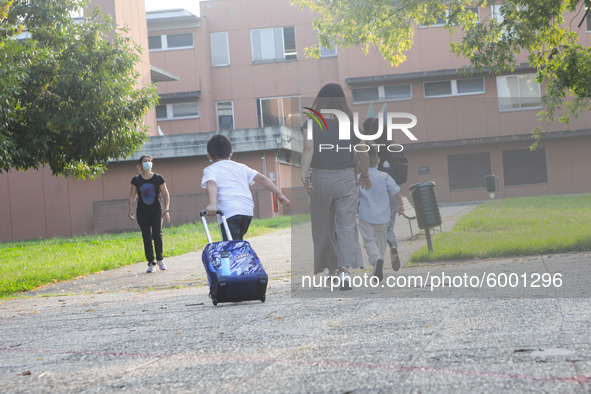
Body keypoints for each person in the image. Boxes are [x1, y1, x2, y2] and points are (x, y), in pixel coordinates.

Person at [300, 82, 371, 290]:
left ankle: (331, 271)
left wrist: (303, 173)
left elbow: (308, 149)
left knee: (323, 227)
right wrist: (365, 174)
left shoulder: (312, 122)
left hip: (320, 179)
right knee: (346, 225)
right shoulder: (350, 123)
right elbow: (363, 153)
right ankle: (345, 270)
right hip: (346, 178)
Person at [202, 134, 290, 241]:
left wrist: (212, 204)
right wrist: (279, 194)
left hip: (229, 213)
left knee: (231, 246)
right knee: (237, 242)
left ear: (209, 156)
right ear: (231, 153)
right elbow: (261, 178)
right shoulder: (241, 167)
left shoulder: (210, 169)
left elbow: (211, 183)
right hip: (246, 212)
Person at [357, 146, 404, 282]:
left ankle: (375, 260)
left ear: (361, 161)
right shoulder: (384, 176)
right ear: (377, 161)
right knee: (381, 243)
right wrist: (400, 204)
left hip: (365, 216)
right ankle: (379, 268)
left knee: (369, 241)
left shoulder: (359, 178)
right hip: (383, 216)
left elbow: (354, 196)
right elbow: (395, 190)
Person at [371, 117, 405, 270]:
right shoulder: (394, 148)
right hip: (392, 191)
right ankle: (392, 245)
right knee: (389, 225)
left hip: (374, 192)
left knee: (375, 228)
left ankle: (378, 258)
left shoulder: (370, 149)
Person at [128, 155, 171, 273]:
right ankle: (151, 262)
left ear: (152, 164)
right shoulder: (136, 180)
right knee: (146, 236)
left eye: (149, 161)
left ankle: (160, 260)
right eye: (144, 161)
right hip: (142, 211)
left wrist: (166, 210)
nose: (147, 163)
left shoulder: (158, 178)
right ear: (140, 165)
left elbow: (165, 194)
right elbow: (132, 196)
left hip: (156, 210)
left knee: (157, 234)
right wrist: (130, 209)